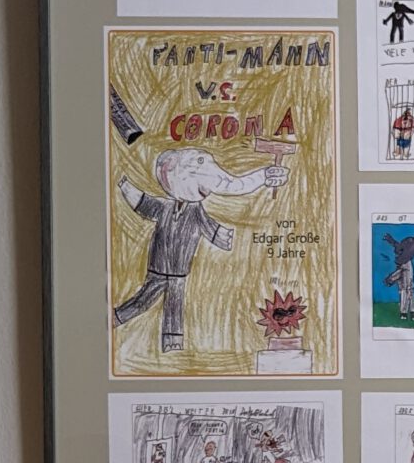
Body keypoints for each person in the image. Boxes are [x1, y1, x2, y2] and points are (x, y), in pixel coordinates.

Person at [113, 146, 286, 354]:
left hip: (179, 270)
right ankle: (116, 317)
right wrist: (125, 187)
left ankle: (172, 343)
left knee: (174, 307)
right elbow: (144, 204)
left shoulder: (195, 211)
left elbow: (209, 227)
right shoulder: (164, 206)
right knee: (144, 299)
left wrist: (227, 236)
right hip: (158, 266)